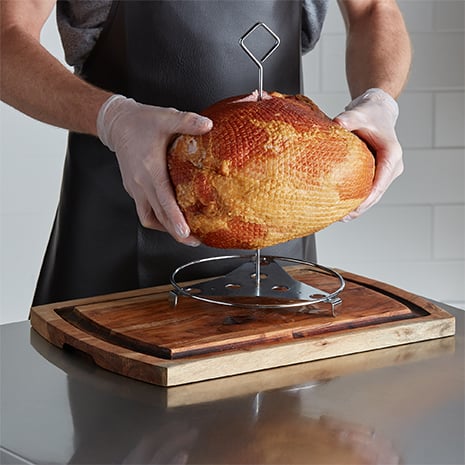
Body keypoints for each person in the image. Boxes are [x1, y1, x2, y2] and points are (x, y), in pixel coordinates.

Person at [1, 0, 411, 306]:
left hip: (278, 241)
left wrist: (379, 100)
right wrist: (114, 118)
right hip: (117, 237)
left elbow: (372, 9)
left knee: (278, 418)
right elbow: (6, 36)